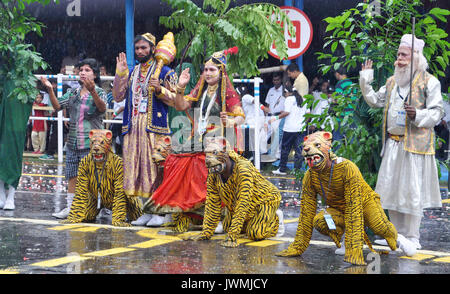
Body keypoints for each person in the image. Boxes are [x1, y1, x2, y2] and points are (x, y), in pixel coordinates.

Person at [359, 34, 444, 250]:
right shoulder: (392, 81)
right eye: (398, 55)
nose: (399, 59)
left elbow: (437, 112)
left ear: (416, 57)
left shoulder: (429, 82)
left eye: (404, 55)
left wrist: (417, 114)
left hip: (415, 146)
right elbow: (374, 101)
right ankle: (394, 235)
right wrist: (365, 79)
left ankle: (412, 238)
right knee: (391, 190)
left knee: (411, 192)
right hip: (393, 145)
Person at [112, 33, 178, 226]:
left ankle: (161, 212)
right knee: (136, 168)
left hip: (154, 128)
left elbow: (176, 100)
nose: (140, 51)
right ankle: (146, 210)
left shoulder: (166, 72)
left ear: (152, 48)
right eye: (138, 48)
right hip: (133, 126)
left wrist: (160, 90)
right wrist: (120, 74)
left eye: (144, 48)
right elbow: (117, 97)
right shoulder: (132, 72)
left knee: (155, 169)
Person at [41, 58, 108, 219]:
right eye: (81, 70)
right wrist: (50, 90)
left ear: (95, 74)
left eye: (87, 70)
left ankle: (93, 208)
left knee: (92, 176)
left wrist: (92, 91)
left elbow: (102, 108)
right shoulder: (73, 92)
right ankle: (71, 207)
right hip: (73, 141)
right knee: (72, 175)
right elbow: (58, 107)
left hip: (93, 143)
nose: (83, 72)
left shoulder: (100, 92)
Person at [272, 85, 308, 175]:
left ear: (287, 92)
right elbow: (308, 114)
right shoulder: (303, 99)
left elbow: (287, 113)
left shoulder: (288, 99)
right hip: (301, 129)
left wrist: (275, 118)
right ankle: (297, 171)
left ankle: (282, 169)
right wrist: (303, 124)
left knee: (285, 149)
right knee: (299, 150)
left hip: (289, 129)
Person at [262, 73, 284, 160]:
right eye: (274, 80)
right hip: (269, 117)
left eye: (278, 80)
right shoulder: (271, 90)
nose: (276, 82)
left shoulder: (284, 91)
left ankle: (276, 157)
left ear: (281, 80)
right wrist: (265, 117)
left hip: (278, 117)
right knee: (263, 135)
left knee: (277, 138)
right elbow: (267, 105)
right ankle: (261, 154)